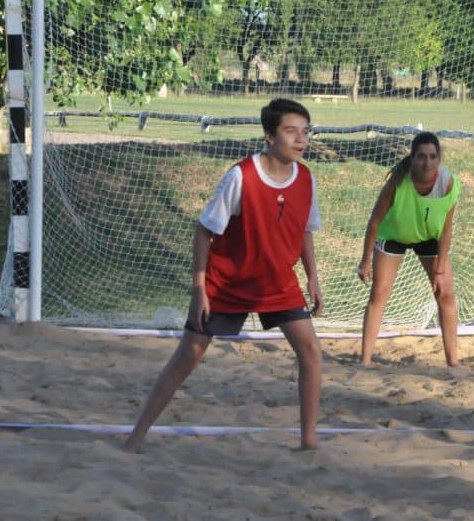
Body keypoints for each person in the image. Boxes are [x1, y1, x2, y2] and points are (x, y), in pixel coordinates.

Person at [124, 98, 324, 453]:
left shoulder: (306, 178)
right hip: (227, 283)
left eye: (305, 132)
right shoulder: (241, 176)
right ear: (269, 136)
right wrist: (199, 289)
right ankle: (136, 437)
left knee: (310, 351)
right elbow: (204, 232)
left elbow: (305, 231)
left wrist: (312, 278)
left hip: (277, 283)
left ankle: (308, 442)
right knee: (189, 354)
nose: (300, 139)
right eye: (291, 131)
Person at [357, 132, 460, 366]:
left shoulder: (448, 183)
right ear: (412, 158)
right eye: (421, 156)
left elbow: (446, 230)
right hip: (394, 234)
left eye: (433, 156)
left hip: (429, 236)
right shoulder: (398, 181)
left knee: (445, 293)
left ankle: (453, 362)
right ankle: (364, 360)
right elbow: (375, 221)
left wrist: (440, 268)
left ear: (439, 158)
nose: (427, 163)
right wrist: (365, 260)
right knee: (379, 293)